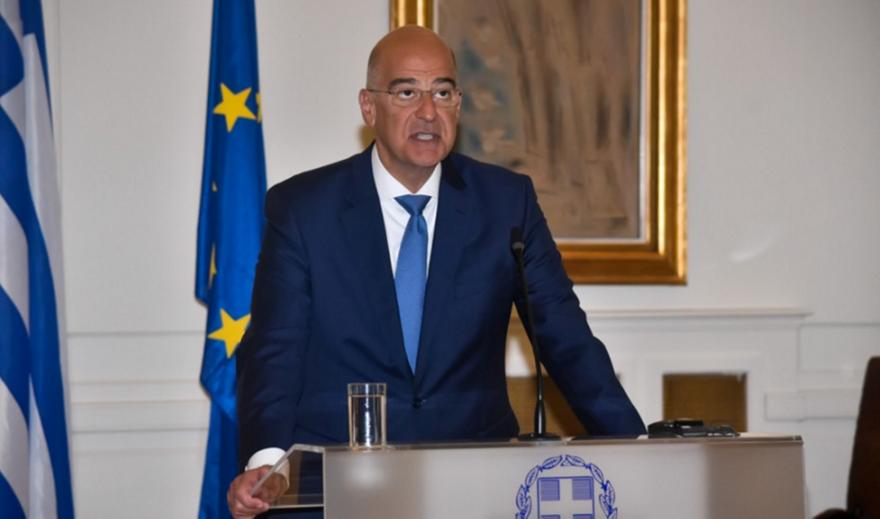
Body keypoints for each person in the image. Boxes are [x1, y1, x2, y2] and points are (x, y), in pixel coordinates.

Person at [226, 25, 645, 518]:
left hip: (472, 481)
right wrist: (268, 463)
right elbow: (275, 347)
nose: (428, 112)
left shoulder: (506, 203)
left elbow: (565, 337)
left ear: (459, 105)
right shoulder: (304, 208)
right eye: (407, 92)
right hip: (335, 485)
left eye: (443, 93)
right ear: (369, 106)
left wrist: (638, 450)